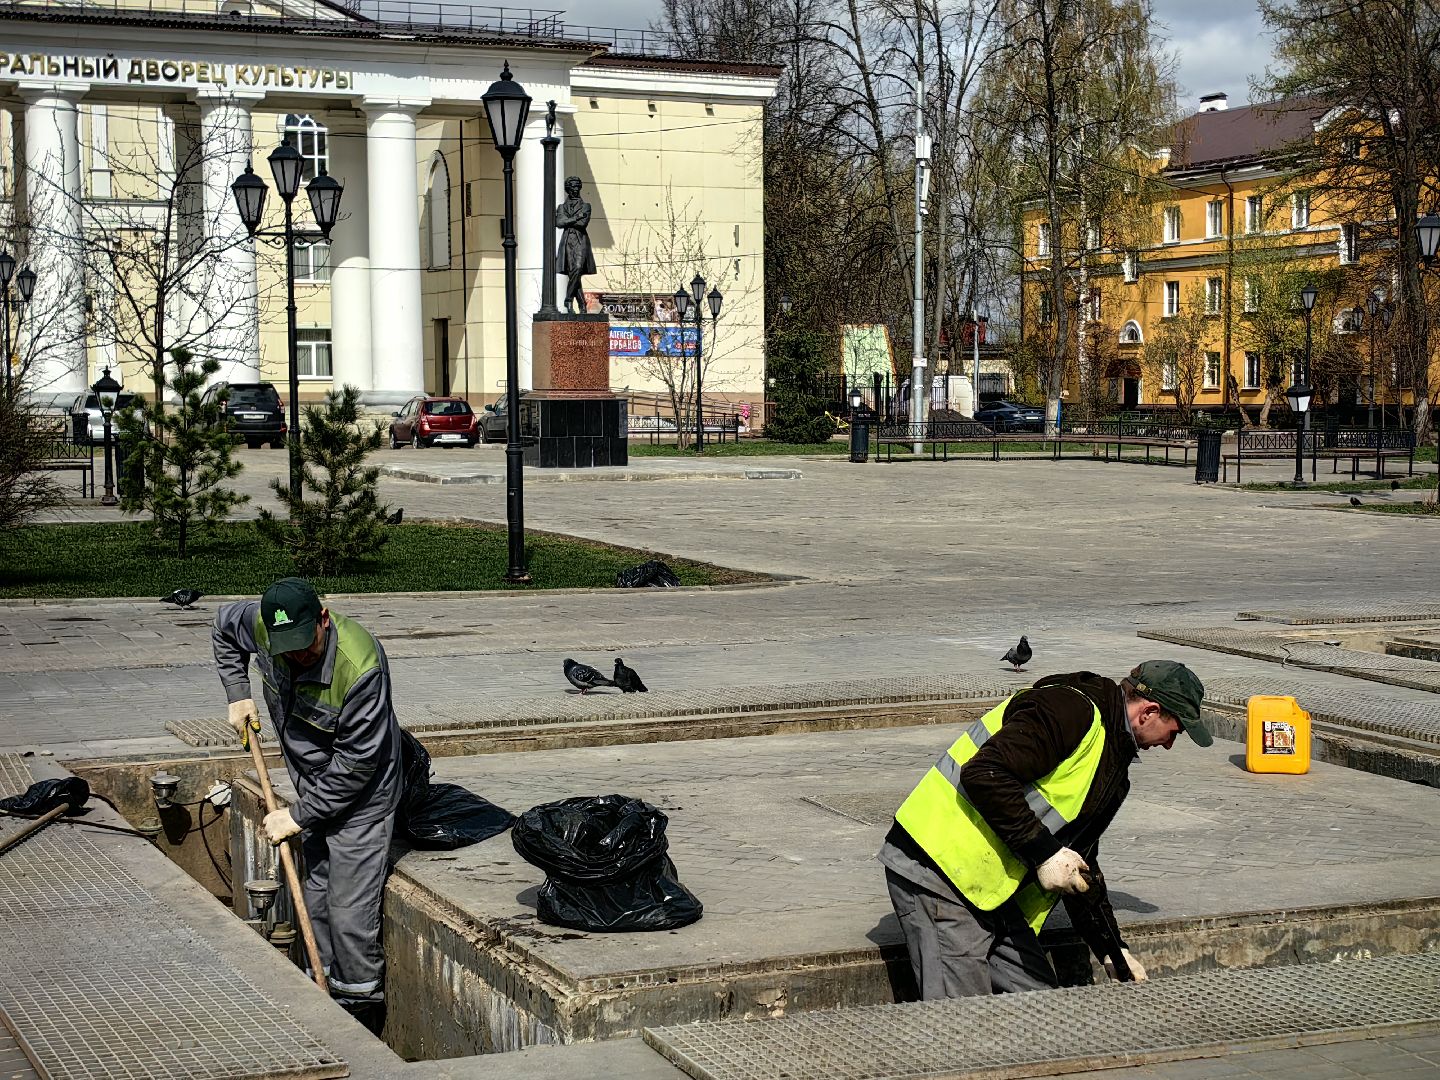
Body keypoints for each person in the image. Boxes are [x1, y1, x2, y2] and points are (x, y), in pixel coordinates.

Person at [878, 660, 1210, 999]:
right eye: (1176, 730)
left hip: (989, 892)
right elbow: (984, 774)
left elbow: (1078, 864)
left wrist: (1112, 948)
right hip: (936, 872)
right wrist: (1045, 853)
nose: (1170, 744)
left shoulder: (1112, 761)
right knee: (964, 1022)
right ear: (1149, 712)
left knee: (1043, 1004)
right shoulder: (1069, 711)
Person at [213, 577, 402, 1033]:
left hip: (363, 795)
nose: (297, 655)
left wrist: (297, 815)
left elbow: (357, 763)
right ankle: (322, 995)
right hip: (312, 781)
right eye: (287, 648)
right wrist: (238, 692)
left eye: (305, 644)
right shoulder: (260, 625)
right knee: (315, 895)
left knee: (349, 914)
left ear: (322, 619)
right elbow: (221, 629)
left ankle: (359, 1014)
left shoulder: (359, 665)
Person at [555, 175, 596, 313]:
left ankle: (568, 299)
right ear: (568, 189)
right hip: (567, 242)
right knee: (574, 274)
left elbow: (583, 223)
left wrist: (570, 220)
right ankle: (582, 306)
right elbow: (559, 223)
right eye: (572, 187)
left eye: (577, 187)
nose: (575, 189)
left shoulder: (586, 206)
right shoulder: (561, 207)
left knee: (577, 268)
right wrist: (577, 217)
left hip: (580, 241)